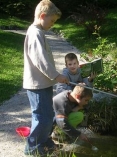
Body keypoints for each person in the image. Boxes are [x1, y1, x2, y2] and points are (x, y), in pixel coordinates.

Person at [23, 0, 69, 156]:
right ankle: (31, 149)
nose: (52, 24)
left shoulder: (39, 32)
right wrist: (56, 75)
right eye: (52, 21)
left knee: (48, 115)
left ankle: (44, 142)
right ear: (43, 16)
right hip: (37, 85)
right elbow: (40, 60)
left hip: (43, 84)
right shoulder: (35, 33)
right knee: (42, 118)